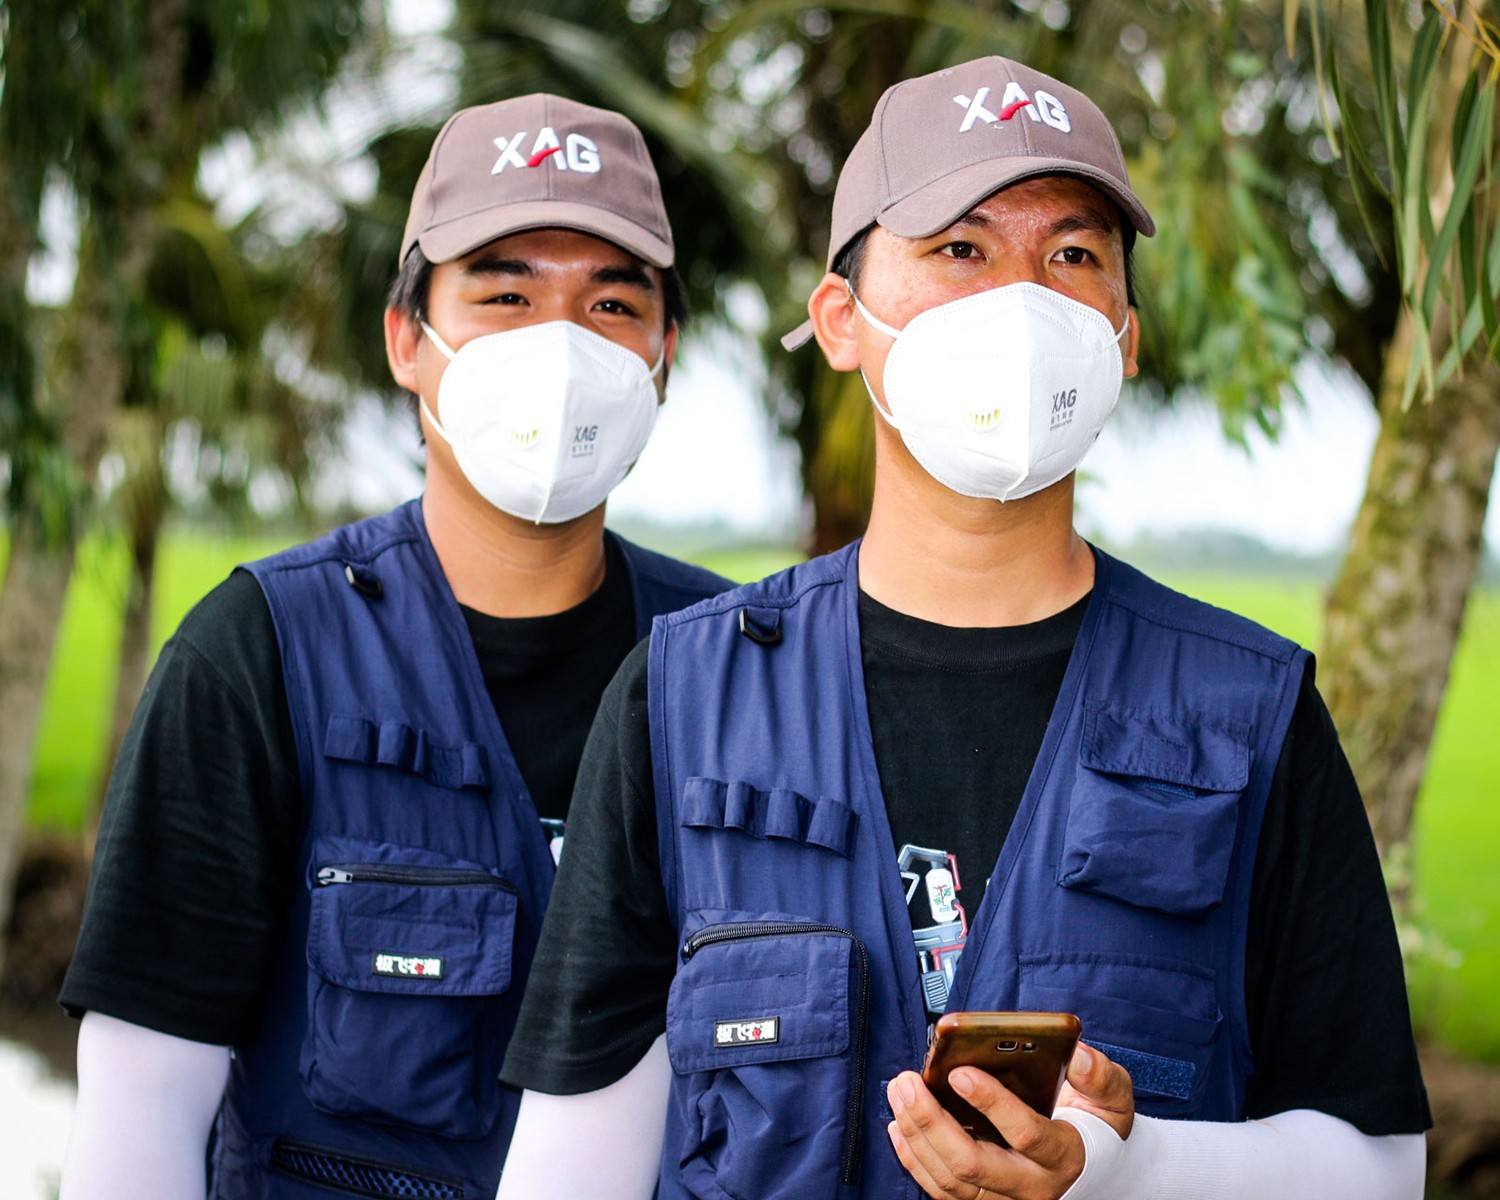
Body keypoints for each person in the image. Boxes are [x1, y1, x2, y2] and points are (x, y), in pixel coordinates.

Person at [495, 57, 1430, 1200]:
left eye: (1073, 256)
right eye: (961, 249)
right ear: (842, 321)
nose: (1021, 300)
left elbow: (1379, 1163)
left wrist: (1129, 1171)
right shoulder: (683, 699)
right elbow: (572, 1163)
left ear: (1125, 337)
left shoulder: (1249, 711)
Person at [57, 93, 729, 1200]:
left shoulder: (738, 669)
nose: (557, 345)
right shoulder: (261, 653)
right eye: (505, 294)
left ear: (661, 354)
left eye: (610, 302)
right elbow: (140, 1106)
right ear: (408, 339)